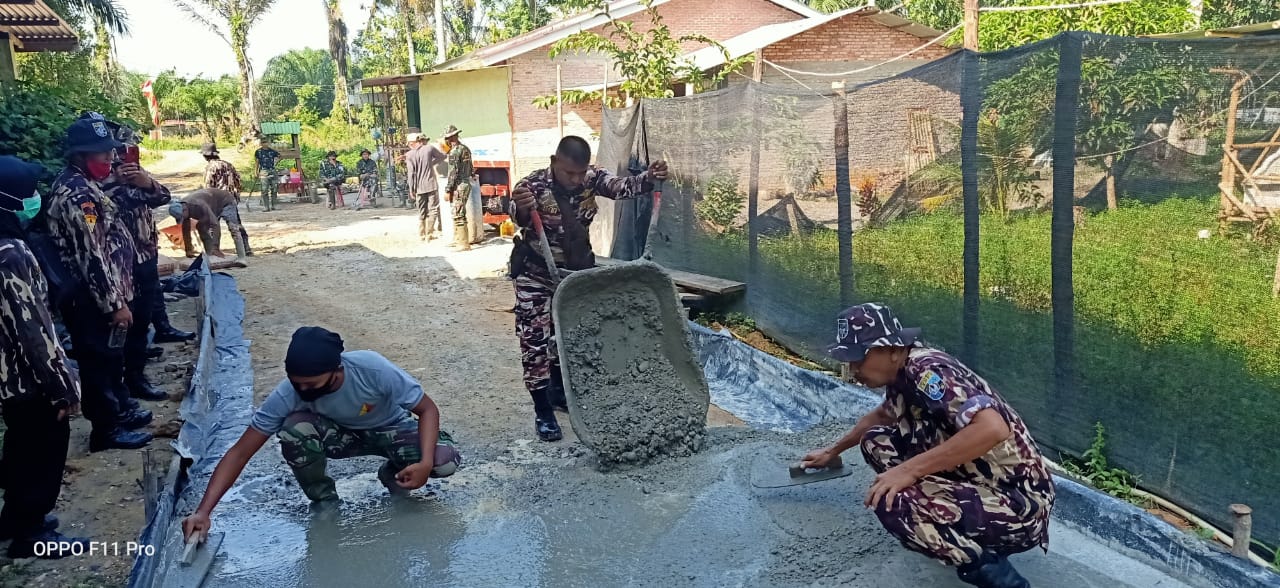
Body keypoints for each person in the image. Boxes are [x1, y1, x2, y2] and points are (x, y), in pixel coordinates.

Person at [800, 303, 1053, 588]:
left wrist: (908, 471)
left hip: (1019, 505)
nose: (853, 367)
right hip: (974, 480)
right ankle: (943, 524)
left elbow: (992, 428)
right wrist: (832, 452)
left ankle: (999, 577)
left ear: (893, 349)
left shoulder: (928, 370)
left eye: (859, 357)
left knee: (892, 500)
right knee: (876, 442)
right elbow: (882, 415)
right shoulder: (900, 374)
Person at [180, 327, 463, 542]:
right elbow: (240, 452)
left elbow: (427, 410)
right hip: (340, 437)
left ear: (337, 370)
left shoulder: (371, 368)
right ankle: (324, 501)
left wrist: (425, 463)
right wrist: (204, 511)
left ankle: (394, 474)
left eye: (312, 384)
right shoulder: (288, 394)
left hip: (391, 429)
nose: (303, 390)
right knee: (294, 431)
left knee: (443, 460)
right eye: (297, 383)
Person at [508, 135, 668, 441]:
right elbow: (517, 216)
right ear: (555, 163)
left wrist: (649, 177)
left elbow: (622, 187)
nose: (576, 180)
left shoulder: (590, 179)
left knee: (567, 336)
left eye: (581, 173)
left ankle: (558, 392)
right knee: (535, 340)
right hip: (537, 274)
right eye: (569, 173)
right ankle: (543, 412)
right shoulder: (533, 186)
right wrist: (521, 206)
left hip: (574, 274)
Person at [0, 155, 91, 559]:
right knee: (42, 447)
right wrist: (63, 387)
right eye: (28, 191)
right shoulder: (12, 253)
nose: (35, 197)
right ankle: (30, 533)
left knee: (20, 445)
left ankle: (16, 518)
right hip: (26, 377)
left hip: (7, 376)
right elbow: (34, 330)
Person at [45, 116, 153, 452]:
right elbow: (90, 256)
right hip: (92, 300)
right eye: (101, 154)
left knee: (111, 358)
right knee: (99, 364)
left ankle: (117, 414)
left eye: (110, 152)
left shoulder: (87, 185)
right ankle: (105, 430)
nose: (109, 159)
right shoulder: (77, 194)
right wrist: (115, 304)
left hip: (108, 293)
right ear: (79, 156)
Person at [96, 117, 173, 402]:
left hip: (144, 255)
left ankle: (137, 378)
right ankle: (119, 389)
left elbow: (162, 197)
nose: (120, 152)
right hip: (116, 265)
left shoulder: (134, 170)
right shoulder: (97, 178)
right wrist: (116, 183)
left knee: (140, 322)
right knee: (119, 328)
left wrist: (147, 182)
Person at [170, 188, 251, 259]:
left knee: (233, 227)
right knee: (201, 227)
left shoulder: (199, 204)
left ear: (185, 210)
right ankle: (210, 254)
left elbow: (215, 224)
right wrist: (188, 250)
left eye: (182, 217)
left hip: (226, 201)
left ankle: (241, 256)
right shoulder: (181, 206)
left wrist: (216, 248)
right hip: (211, 205)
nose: (183, 219)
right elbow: (185, 229)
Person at [404, 133, 446, 240]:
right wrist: (431, 163)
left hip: (418, 187)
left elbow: (411, 174)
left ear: (411, 143)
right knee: (433, 209)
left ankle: (421, 234)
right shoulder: (429, 149)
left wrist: (411, 189)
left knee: (421, 210)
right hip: (431, 184)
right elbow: (443, 156)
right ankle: (429, 233)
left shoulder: (409, 155)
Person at [442, 126, 473, 251]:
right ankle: (458, 239)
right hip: (466, 183)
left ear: (450, 138)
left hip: (459, 185)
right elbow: (471, 168)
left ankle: (463, 243)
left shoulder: (454, 152)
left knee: (458, 213)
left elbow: (452, 173)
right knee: (457, 212)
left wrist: (448, 189)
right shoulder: (465, 149)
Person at [254, 136, 280, 211]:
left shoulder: (272, 151)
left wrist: (275, 163)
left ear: (268, 143)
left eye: (266, 142)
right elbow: (257, 163)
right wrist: (255, 172)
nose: (264, 144)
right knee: (264, 190)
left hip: (272, 170)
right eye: (263, 142)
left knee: (274, 189)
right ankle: (266, 207)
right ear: (261, 143)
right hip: (263, 171)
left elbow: (280, 156)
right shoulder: (258, 152)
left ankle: (274, 205)